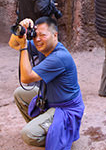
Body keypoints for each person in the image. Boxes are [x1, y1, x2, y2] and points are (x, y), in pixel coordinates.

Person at [9, 17, 84, 149]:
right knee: (19, 94)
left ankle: (60, 135)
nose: (37, 39)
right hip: (49, 98)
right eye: (35, 35)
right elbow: (13, 44)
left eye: (43, 35)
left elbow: (26, 78)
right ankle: (45, 127)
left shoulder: (59, 57)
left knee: (28, 134)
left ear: (55, 35)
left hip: (65, 109)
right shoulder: (43, 46)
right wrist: (20, 29)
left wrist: (24, 47)